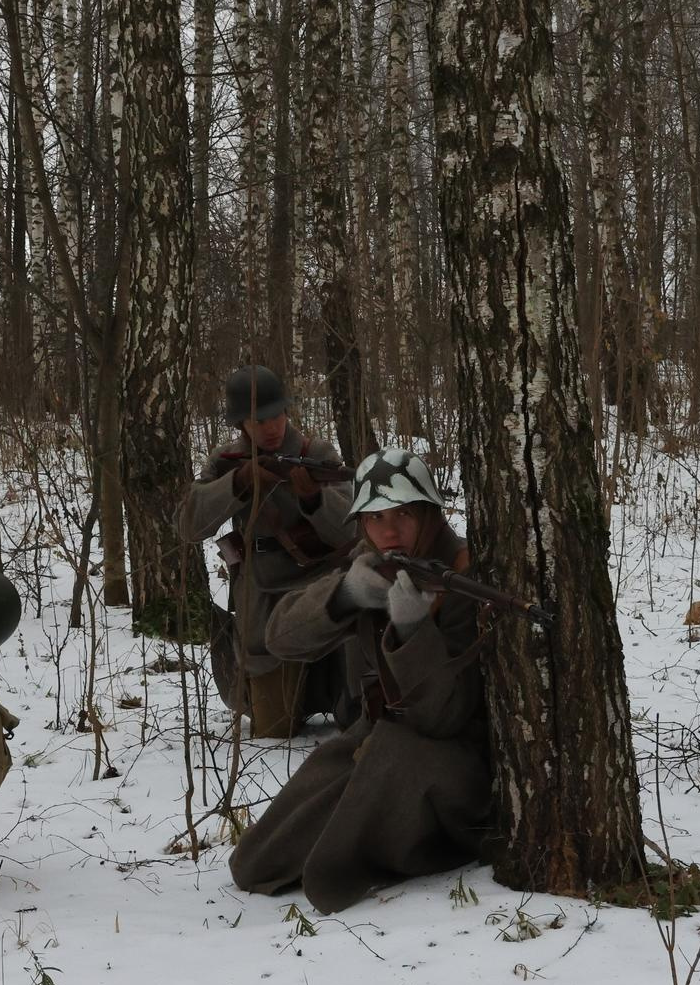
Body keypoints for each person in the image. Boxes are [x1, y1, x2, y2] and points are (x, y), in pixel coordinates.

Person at [227, 447, 493, 914]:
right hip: (375, 736)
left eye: (404, 513)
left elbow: (446, 714)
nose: (389, 530)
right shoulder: (371, 562)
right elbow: (281, 639)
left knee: (334, 864)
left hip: (452, 763)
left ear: (429, 513)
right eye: (374, 518)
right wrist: (346, 595)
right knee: (256, 863)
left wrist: (414, 629)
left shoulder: (464, 577)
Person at [177, 365, 356, 736]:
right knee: (274, 726)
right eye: (259, 420)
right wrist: (239, 483)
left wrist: (313, 498)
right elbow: (189, 526)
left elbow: (350, 531)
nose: (272, 427)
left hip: (318, 583)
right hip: (262, 592)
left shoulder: (317, 453)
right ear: (241, 423)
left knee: (352, 707)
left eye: (276, 415)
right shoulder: (227, 461)